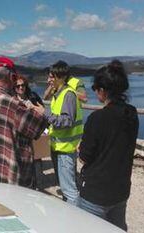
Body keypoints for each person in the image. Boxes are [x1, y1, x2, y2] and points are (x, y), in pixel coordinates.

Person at [78, 60, 139, 231]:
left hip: (96, 192)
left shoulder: (97, 118)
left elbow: (84, 157)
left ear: (103, 91)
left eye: (96, 89)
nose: (96, 93)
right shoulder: (131, 113)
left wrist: (80, 149)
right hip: (120, 188)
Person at [0, 57, 48, 187]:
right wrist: (41, 111)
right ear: (11, 77)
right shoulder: (10, 103)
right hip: (11, 177)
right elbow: (38, 126)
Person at [45, 60, 83, 206]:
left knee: (70, 191)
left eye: (51, 77)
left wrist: (45, 114)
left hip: (65, 150)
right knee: (66, 187)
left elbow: (67, 121)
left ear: (60, 77)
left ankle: (75, 222)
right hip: (59, 147)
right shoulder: (58, 94)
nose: (49, 80)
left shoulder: (68, 95)